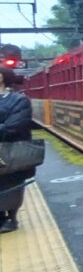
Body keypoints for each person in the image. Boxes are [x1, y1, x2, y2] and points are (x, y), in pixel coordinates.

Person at [0, 68, 33, 233]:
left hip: (12, 149)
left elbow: (17, 124)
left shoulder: (19, 99)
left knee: (11, 183)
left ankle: (11, 218)